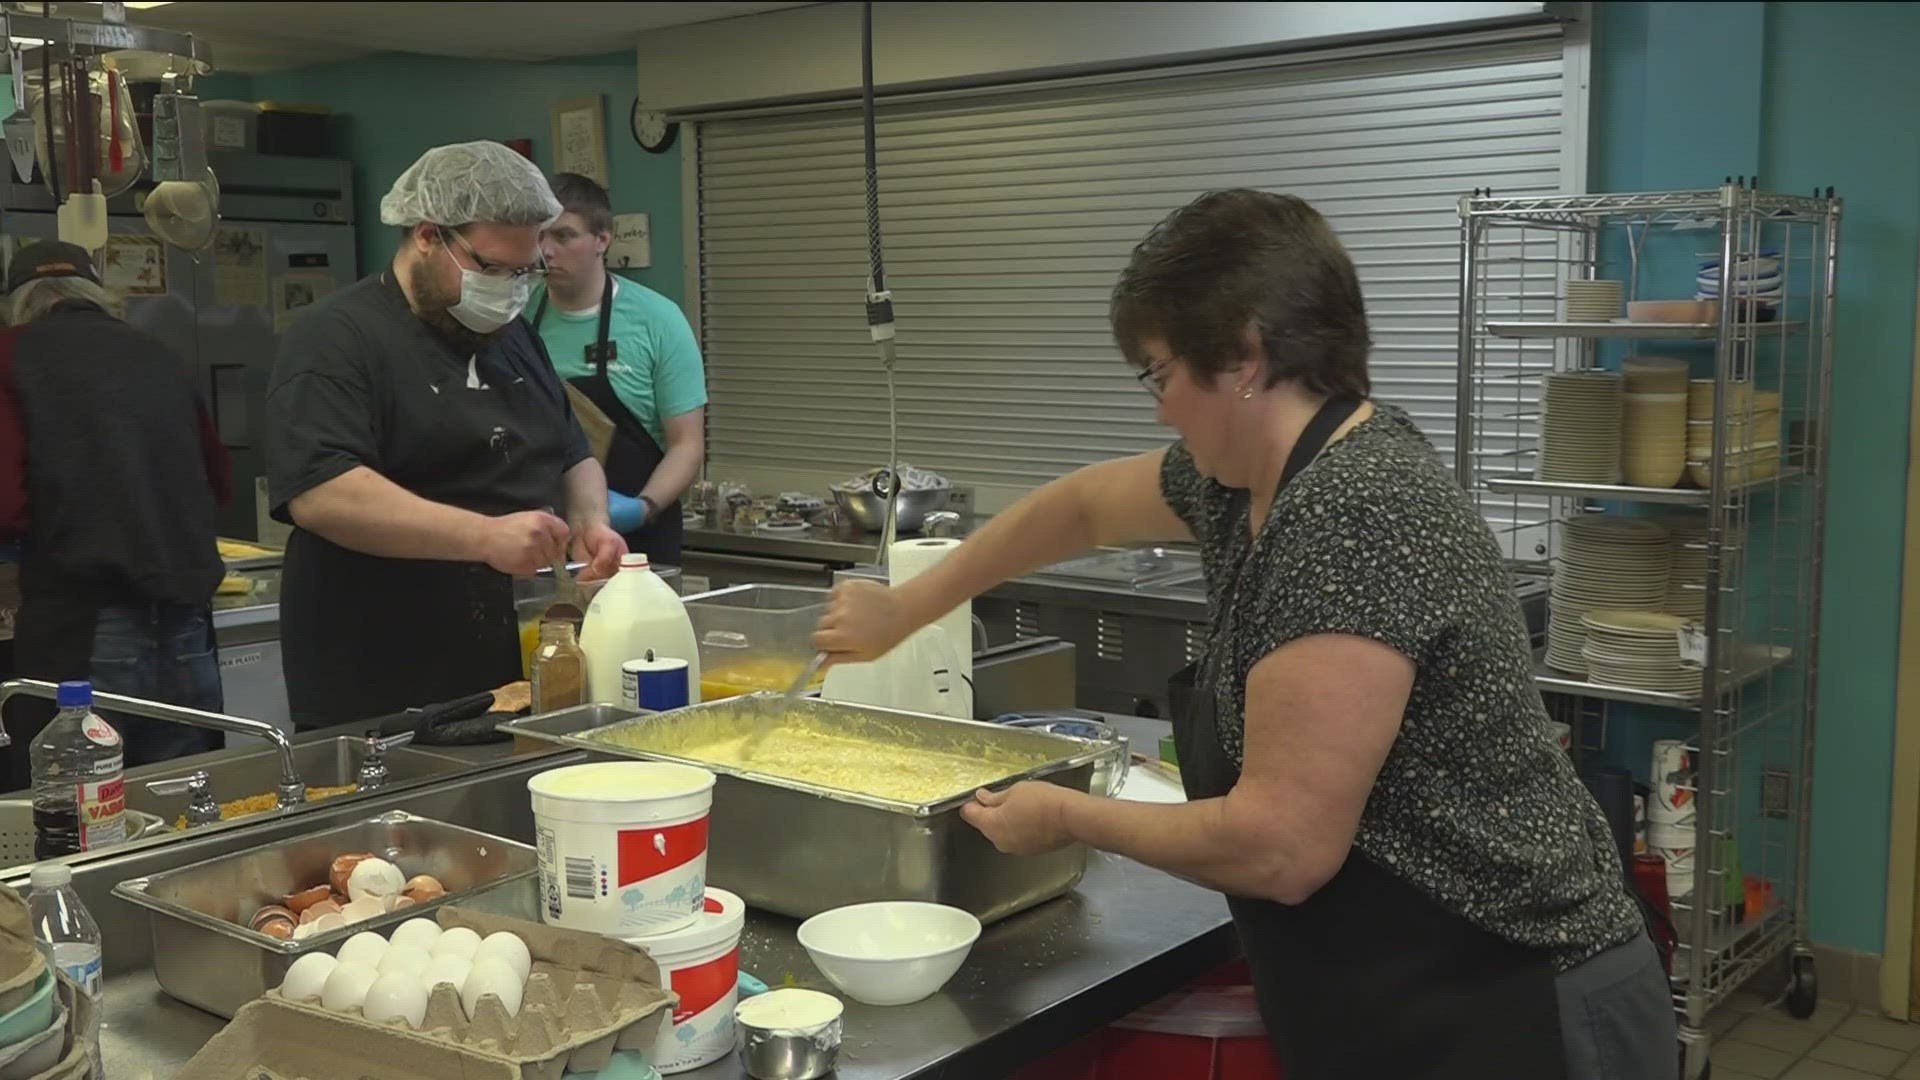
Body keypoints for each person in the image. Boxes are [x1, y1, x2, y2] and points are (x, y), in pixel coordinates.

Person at [814, 190, 1677, 1079]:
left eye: (1159, 374)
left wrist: (1066, 815)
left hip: (1517, 1006)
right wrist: (905, 608)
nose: (1159, 410)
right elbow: (1077, 507)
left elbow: (1282, 846)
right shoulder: (1239, 485)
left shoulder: (1356, 511)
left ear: (1247, 358)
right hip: (1404, 999)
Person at [265, 141, 626, 730]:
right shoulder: (336, 338)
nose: (509, 290)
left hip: (507, 668)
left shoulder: (511, 336)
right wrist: (483, 537)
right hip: (382, 672)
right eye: (490, 270)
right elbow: (323, 493)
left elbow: (571, 449)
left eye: (523, 272)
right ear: (429, 234)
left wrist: (591, 521)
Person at [0, 242, 229, 789]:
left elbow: (7, 503)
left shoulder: (11, 354)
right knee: (182, 804)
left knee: (80, 812)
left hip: (85, 627)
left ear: (18, 302)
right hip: (187, 624)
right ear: (95, 292)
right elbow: (219, 481)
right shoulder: (156, 353)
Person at [529, 173, 706, 565]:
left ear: (602, 240)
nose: (546, 251)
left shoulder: (658, 320)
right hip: (546, 530)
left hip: (639, 532)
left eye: (563, 236)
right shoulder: (516, 318)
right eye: (539, 236)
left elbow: (687, 444)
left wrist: (642, 507)